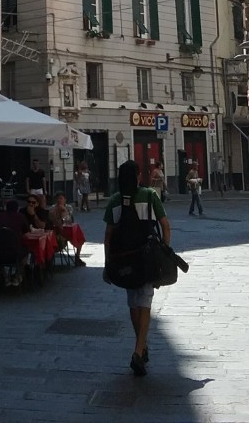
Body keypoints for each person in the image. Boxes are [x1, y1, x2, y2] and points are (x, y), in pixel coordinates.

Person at [103, 159, 171, 377]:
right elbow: (165, 225)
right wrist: (164, 252)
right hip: (147, 258)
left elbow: (108, 235)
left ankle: (141, 346)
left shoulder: (115, 201)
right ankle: (138, 351)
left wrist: (107, 263)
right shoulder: (150, 195)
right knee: (145, 303)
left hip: (124, 261)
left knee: (133, 302)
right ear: (138, 176)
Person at [49, 192, 85, 266]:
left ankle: (77, 257)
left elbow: (68, 220)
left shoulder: (69, 207)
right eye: (58, 199)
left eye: (61, 198)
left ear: (65, 200)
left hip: (67, 230)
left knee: (79, 237)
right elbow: (52, 220)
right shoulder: (52, 208)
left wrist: (64, 210)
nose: (59, 200)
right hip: (56, 231)